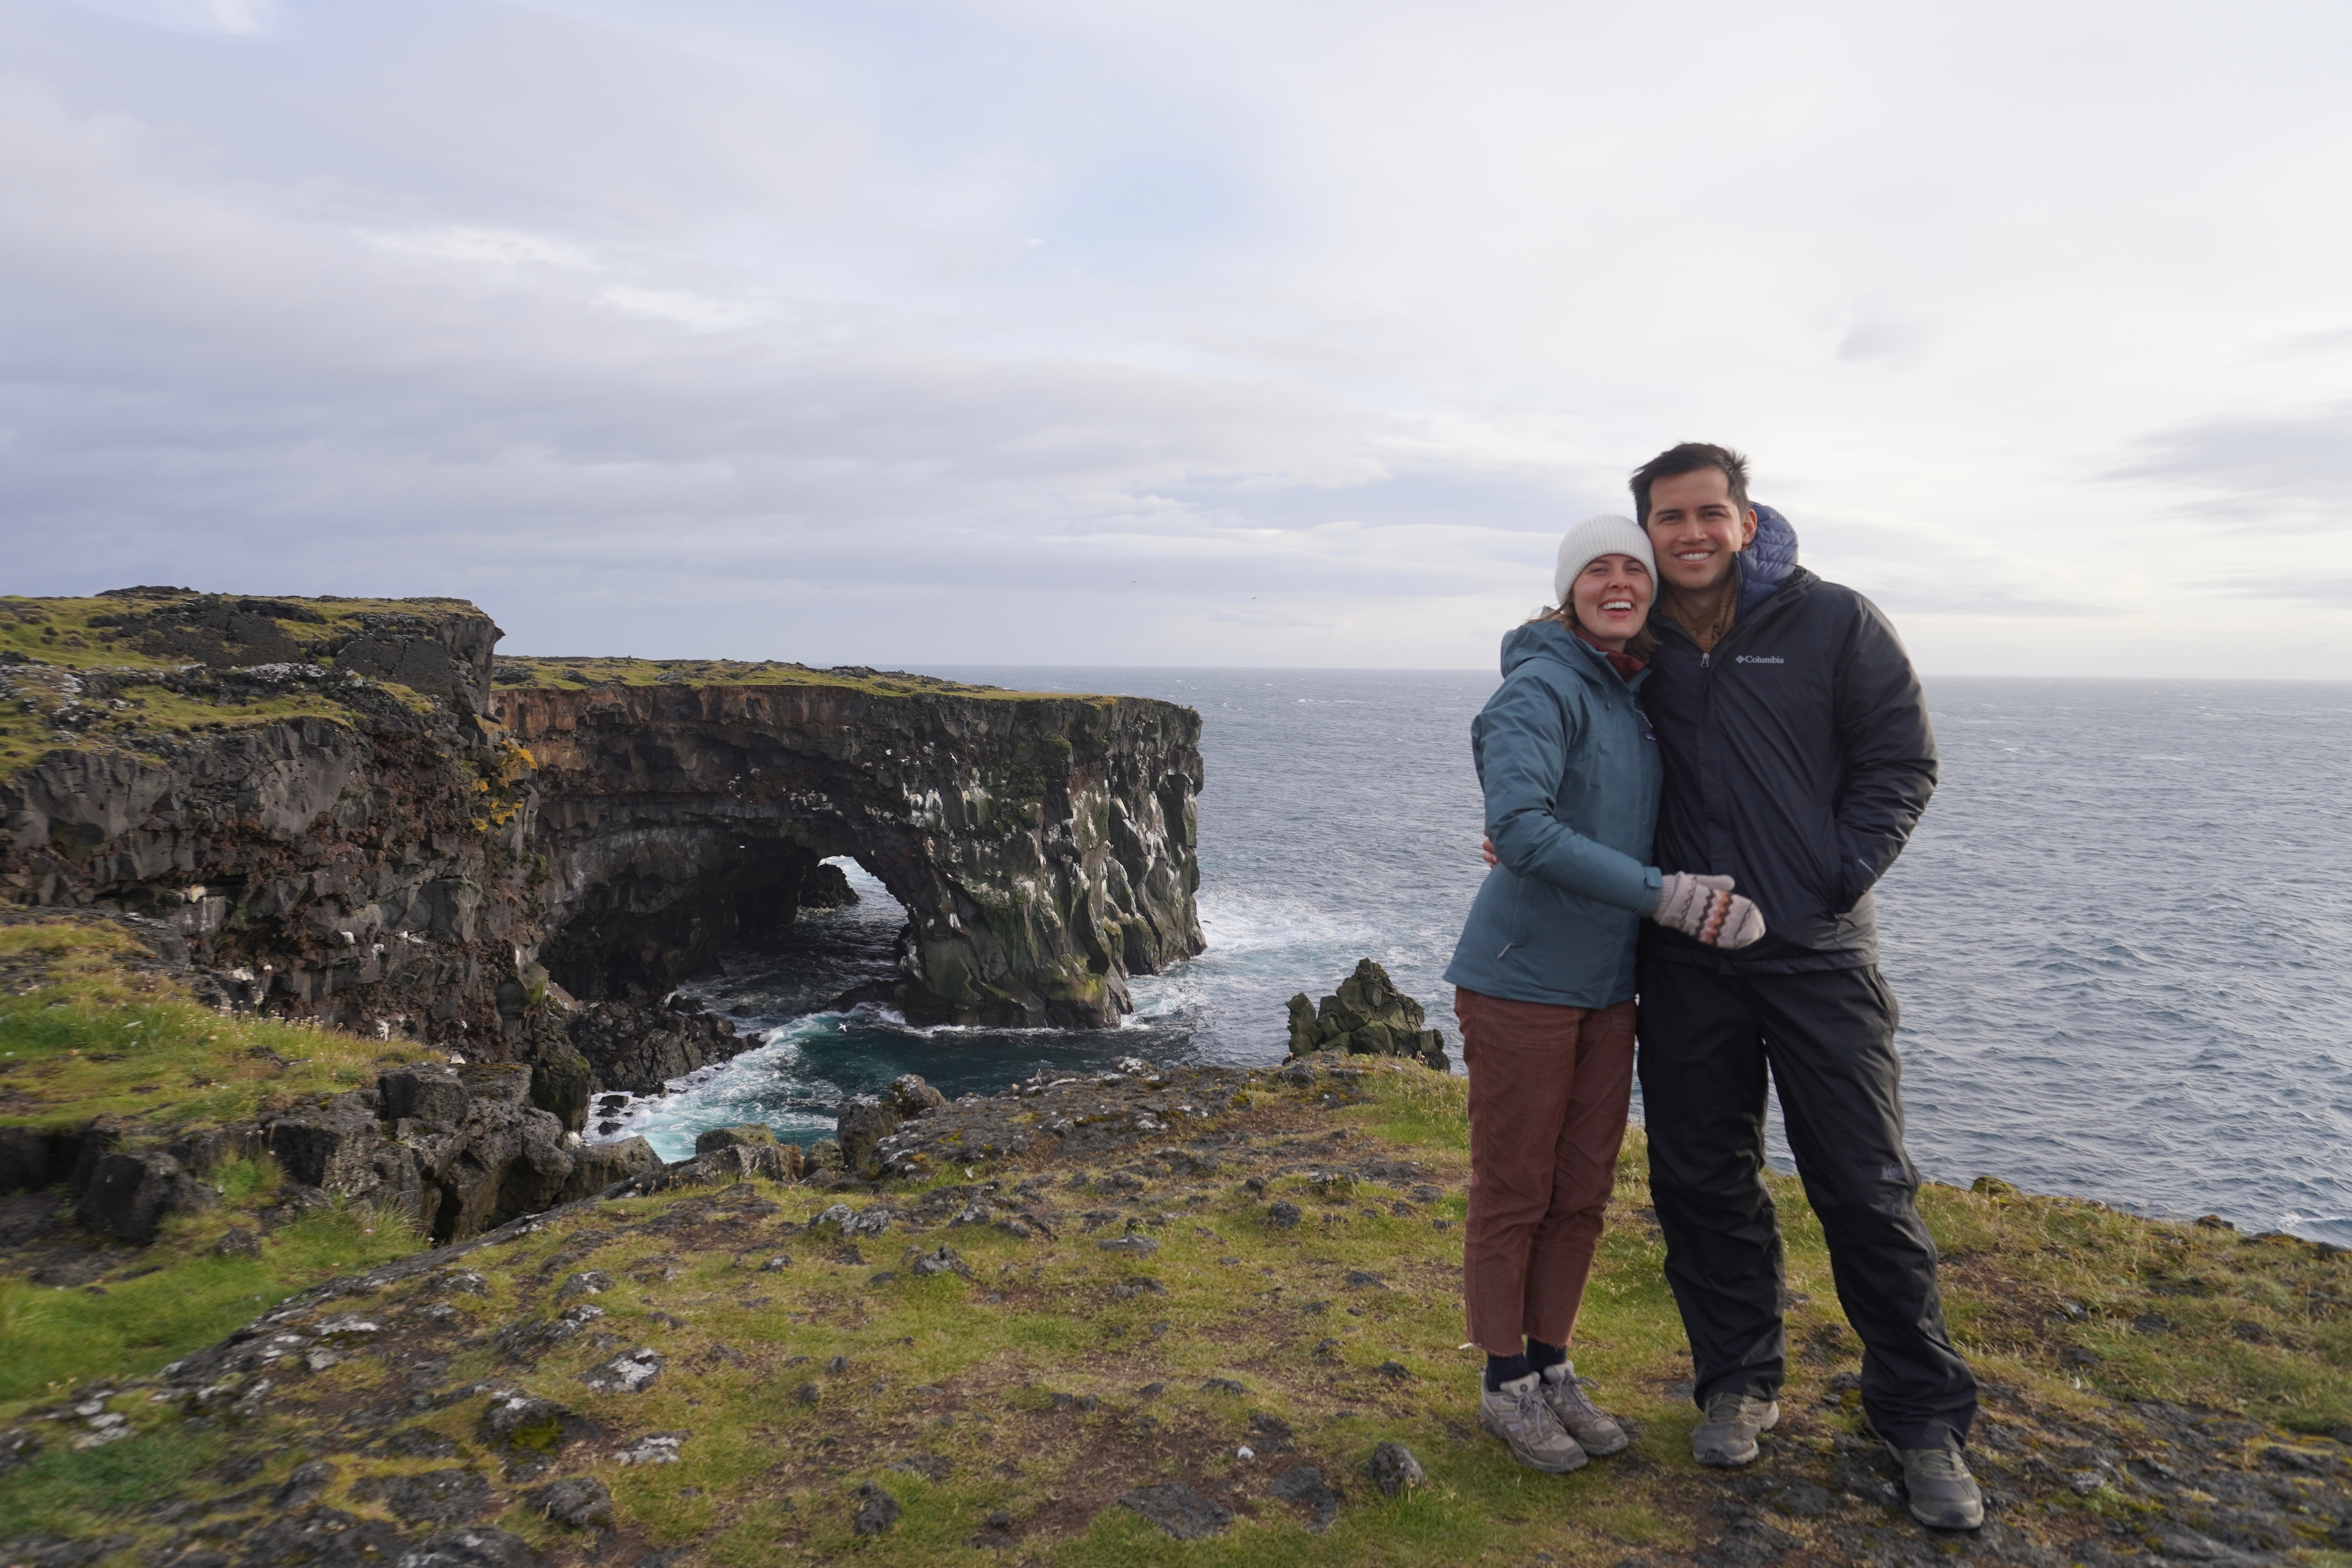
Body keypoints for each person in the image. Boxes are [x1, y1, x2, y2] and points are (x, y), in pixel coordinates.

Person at [1629, 442, 1983, 1531]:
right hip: (1688, 959)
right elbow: (1567, 745)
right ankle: (1737, 1381)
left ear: (1744, 519)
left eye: (1707, 512)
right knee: (1700, 1179)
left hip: (1819, 955)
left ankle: (1921, 1421)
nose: (1688, 533)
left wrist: (1830, 879)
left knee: (1865, 1185)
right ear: (1642, 529)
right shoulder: (1630, 637)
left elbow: (1901, 762)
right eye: (1667, 517)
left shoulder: (1835, 622)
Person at [1444, 514, 1764, 1475]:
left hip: (1605, 986)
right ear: (1568, 588)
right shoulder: (1541, 688)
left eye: (1635, 567)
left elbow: (1611, 818)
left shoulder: (1627, 693)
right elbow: (1526, 829)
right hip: (1521, 979)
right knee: (1516, 1190)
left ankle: (1553, 1361)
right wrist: (1669, 897)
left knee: (1581, 1191)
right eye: (1598, 569)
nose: (1618, 581)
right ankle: (1506, 1380)